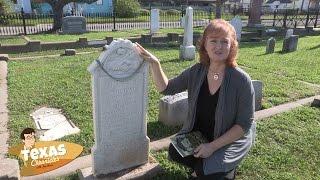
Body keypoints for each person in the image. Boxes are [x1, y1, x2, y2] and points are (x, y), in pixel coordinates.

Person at [135, 19, 256, 179]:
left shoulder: (241, 80)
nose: (218, 46)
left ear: (232, 46)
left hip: (228, 140)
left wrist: (212, 147)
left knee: (204, 171)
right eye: (213, 41)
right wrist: (155, 64)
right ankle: (214, 169)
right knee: (174, 151)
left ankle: (220, 170)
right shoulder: (197, 71)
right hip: (201, 135)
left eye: (224, 42)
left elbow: (244, 125)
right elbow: (166, 88)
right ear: (205, 44)